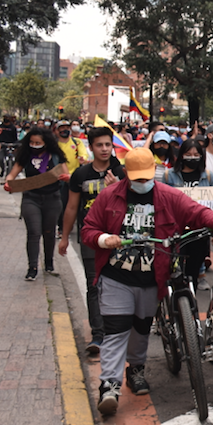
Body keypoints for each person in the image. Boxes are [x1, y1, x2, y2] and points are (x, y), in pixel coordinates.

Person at [80, 148, 213, 414]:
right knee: (116, 330)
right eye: (135, 178)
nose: (141, 183)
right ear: (126, 173)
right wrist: (104, 239)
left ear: (153, 173)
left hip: (152, 277)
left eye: (145, 178)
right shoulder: (108, 196)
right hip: (116, 277)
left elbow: (197, 213)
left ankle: (136, 369)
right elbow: (88, 229)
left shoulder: (169, 196)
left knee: (141, 329)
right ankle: (109, 386)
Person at [59, 127, 126, 354]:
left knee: (119, 284)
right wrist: (65, 237)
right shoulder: (80, 174)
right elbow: (71, 207)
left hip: (118, 237)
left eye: (108, 144)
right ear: (91, 147)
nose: (105, 149)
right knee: (93, 284)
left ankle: (116, 331)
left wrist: (116, 186)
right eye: (100, 145)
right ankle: (98, 334)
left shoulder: (121, 172)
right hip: (91, 237)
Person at [5, 128, 67, 280]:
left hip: (52, 199)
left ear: (46, 142)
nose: (34, 145)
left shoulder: (56, 156)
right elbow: (12, 174)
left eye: (38, 143)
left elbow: (67, 174)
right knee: (33, 232)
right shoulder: (25, 155)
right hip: (31, 198)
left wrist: (66, 177)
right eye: (32, 142)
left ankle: (49, 264)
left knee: (49, 232)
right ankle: (32, 268)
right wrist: (8, 182)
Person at [162, 139, 213, 291]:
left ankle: (191, 293)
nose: (192, 158)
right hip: (177, 228)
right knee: (176, 265)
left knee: (194, 266)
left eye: (196, 155)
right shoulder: (169, 176)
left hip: (198, 230)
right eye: (188, 154)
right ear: (181, 155)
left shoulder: (208, 176)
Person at [56, 120, 90, 235]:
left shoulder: (77, 142)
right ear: (57, 130)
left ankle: (81, 227)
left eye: (67, 127)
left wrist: (83, 158)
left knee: (79, 204)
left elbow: (84, 154)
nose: (64, 130)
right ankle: (61, 227)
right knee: (62, 203)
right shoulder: (54, 144)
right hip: (59, 178)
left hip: (74, 177)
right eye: (62, 128)